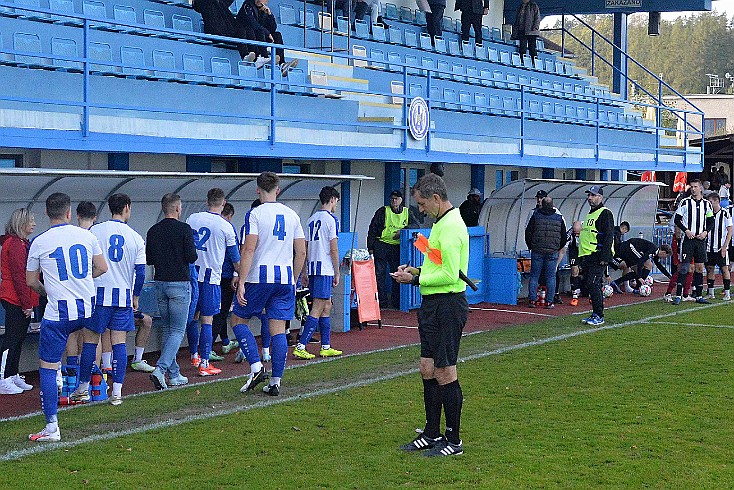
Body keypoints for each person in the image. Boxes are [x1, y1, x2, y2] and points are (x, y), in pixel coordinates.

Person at [391, 173, 468, 457]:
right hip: (433, 304)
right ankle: (432, 432)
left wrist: (414, 280)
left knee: (445, 370)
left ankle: (454, 440)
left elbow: (449, 275)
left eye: (423, 204)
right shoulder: (440, 224)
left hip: (448, 305)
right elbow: (438, 265)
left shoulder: (449, 228)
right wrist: (417, 271)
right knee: (427, 367)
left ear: (436, 198)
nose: (420, 210)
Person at [26, 192, 108, 442]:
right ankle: (85, 387)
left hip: (58, 311)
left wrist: (47, 290)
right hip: (86, 306)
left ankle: (52, 426)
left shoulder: (39, 241)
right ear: (69, 212)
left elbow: (31, 281)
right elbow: (102, 267)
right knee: (91, 341)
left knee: (48, 367)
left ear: (46, 214)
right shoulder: (87, 236)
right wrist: (82, 281)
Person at [230, 171, 306, 396]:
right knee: (278, 330)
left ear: (257, 190)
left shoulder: (255, 214)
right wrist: (292, 279)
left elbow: (249, 248)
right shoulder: (292, 214)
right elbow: (301, 251)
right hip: (284, 279)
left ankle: (255, 366)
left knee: (237, 319)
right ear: (278, 189)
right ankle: (275, 382)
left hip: (259, 277)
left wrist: (242, 280)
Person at [87, 193, 147, 406]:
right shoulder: (135, 237)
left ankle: (84, 389)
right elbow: (140, 273)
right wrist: (136, 296)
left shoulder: (95, 231)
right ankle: (117, 392)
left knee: (91, 340)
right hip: (122, 297)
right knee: (119, 343)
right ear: (127, 208)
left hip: (98, 294)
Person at [185, 188, 240, 377]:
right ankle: (205, 363)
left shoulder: (192, 218)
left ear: (207, 201)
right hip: (210, 278)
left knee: (193, 317)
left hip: (192, 275)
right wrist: (242, 276)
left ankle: (194, 355)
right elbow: (235, 258)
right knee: (207, 320)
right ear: (223, 203)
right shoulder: (225, 226)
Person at [146, 193, 198, 390]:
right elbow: (192, 257)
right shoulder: (184, 229)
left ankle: (174, 374)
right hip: (179, 284)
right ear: (177, 208)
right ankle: (160, 369)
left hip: (160, 283)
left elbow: (149, 259)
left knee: (168, 330)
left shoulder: (153, 230)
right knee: (177, 330)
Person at [294, 186, 342, 359]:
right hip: (324, 269)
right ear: (332, 199)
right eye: (336, 200)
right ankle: (301, 345)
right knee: (318, 307)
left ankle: (326, 345)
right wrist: (337, 272)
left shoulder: (311, 219)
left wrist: (305, 271)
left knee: (326, 305)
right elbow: (334, 249)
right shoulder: (331, 220)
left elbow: (305, 248)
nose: (336, 204)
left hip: (314, 267)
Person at [0, 208, 39, 395]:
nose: (34, 223)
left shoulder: (22, 243)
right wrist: (26, 304)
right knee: (11, 339)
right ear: (21, 223)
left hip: (19, 297)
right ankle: (3, 377)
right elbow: (19, 276)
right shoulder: (15, 244)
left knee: (18, 338)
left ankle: (12, 373)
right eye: (30, 221)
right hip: (14, 297)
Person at [672, 179, 714, 305]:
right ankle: (679, 295)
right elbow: (677, 220)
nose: (693, 189)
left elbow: (711, 221)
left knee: (700, 268)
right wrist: (686, 231)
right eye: (692, 187)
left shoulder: (707, 204)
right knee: (685, 267)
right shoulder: (685, 202)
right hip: (688, 240)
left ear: (700, 188)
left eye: (696, 186)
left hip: (700, 240)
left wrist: (706, 232)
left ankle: (699, 295)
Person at [578, 185, 614, 326]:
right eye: (589, 195)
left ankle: (599, 315)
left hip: (597, 255)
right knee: (591, 285)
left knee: (593, 284)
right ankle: (595, 313)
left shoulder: (605, 213)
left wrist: (605, 257)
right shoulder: (590, 214)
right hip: (588, 256)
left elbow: (609, 236)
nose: (590, 198)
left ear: (600, 197)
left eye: (593, 195)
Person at [367, 190, 409, 309]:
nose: (394, 201)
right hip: (382, 245)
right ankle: (382, 301)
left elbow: (415, 225)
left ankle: (396, 301)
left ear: (401, 200)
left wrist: (402, 232)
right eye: (392, 198)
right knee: (380, 274)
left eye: (396, 198)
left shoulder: (407, 212)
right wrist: (370, 247)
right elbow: (373, 228)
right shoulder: (382, 211)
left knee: (397, 274)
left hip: (397, 247)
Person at [524, 197, 566, 309]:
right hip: (552, 251)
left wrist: (531, 246)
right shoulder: (559, 218)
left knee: (534, 276)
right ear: (553, 206)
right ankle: (549, 302)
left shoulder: (536, 216)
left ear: (541, 204)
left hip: (537, 250)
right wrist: (557, 247)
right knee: (551, 277)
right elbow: (564, 236)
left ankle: (532, 300)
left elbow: (528, 232)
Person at [211, 202, 240, 358]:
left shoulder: (208, 225)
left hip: (209, 276)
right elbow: (234, 254)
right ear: (229, 215)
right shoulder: (228, 228)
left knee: (215, 311)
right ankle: (207, 347)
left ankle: (225, 341)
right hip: (226, 275)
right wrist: (238, 274)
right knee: (221, 312)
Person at [192, 0, 259, 61]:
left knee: (249, 30)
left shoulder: (220, 3)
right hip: (215, 31)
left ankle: (256, 57)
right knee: (240, 31)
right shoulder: (206, 4)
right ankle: (244, 56)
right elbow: (197, 6)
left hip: (227, 31)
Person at [253, 0, 299, 75]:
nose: (260, 1)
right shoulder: (250, 7)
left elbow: (273, 28)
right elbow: (254, 25)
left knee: (277, 35)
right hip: (254, 35)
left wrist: (269, 15)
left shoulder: (265, 11)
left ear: (266, 2)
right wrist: (267, 33)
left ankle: (282, 64)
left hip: (264, 36)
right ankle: (264, 58)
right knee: (260, 32)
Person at [705, 192, 732, 300]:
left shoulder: (725, 213)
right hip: (709, 247)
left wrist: (725, 246)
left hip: (720, 247)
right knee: (709, 268)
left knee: (724, 269)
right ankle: (710, 292)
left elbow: (730, 230)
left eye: (711, 202)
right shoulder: (707, 213)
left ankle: (727, 293)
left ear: (717, 201)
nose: (709, 204)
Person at [512, 0, 540, 65]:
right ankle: (522, 61)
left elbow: (537, 17)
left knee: (532, 48)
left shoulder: (533, 5)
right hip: (522, 30)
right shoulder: (520, 6)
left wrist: (535, 27)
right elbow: (517, 19)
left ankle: (534, 62)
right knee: (522, 47)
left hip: (531, 31)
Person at [565, 221, 582, 306]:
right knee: (574, 269)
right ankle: (575, 291)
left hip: (585, 249)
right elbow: (564, 246)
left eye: (578, 233)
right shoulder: (570, 233)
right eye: (575, 232)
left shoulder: (587, 230)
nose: (577, 235)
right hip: (574, 250)